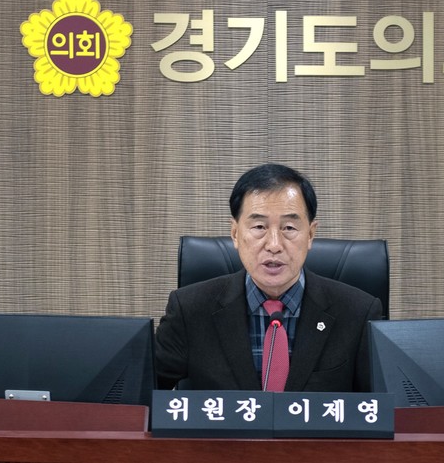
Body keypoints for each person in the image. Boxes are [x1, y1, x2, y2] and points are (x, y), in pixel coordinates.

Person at [155, 163, 383, 392]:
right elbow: (143, 395)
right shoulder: (189, 310)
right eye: (259, 226)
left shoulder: (357, 314)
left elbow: (382, 405)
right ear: (235, 234)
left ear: (310, 235)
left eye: (289, 228)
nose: (274, 245)